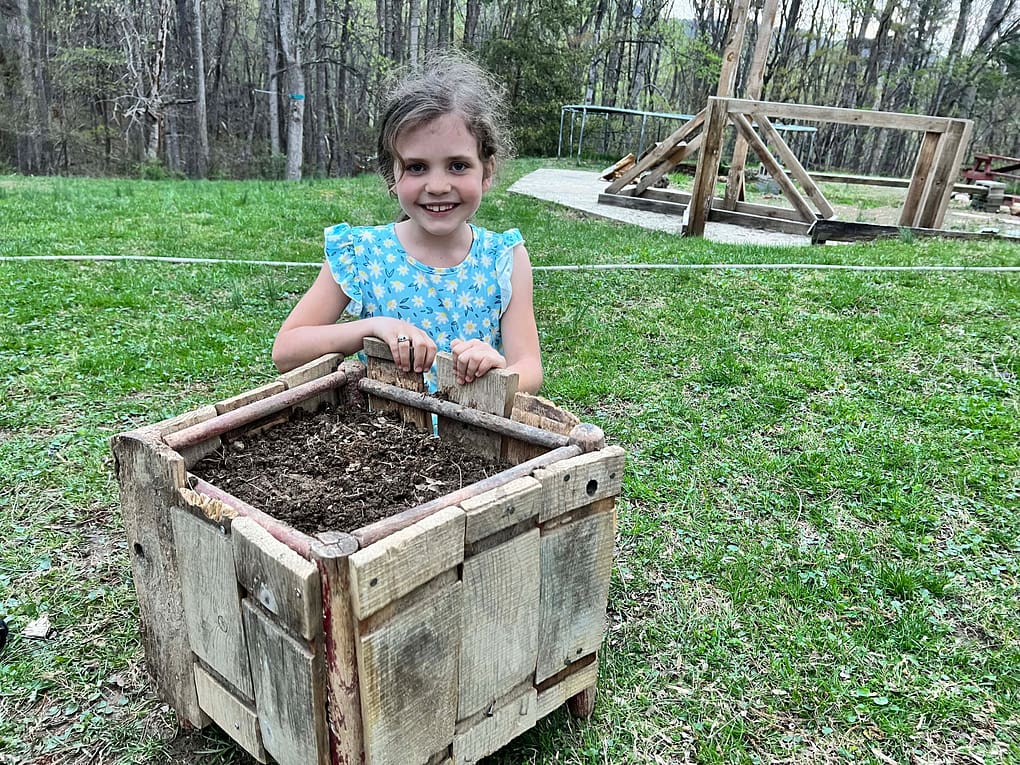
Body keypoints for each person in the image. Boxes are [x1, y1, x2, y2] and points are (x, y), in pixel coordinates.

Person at [272, 54, 542, 394]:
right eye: (416, 167)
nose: (438, 185)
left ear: (486, 172)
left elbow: (530, 367)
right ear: (392, 176)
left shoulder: (505, 260)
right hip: (382, 436)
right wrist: (375, 327)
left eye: (458, 165)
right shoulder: (361, 254)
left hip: (476, 437)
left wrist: (500, 368)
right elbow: (286, 351)